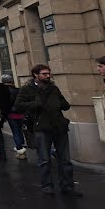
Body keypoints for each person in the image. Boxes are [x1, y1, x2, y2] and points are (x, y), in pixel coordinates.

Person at [13, 64, 80, 196]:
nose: (47, 76)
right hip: (41, 128)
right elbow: (18, 106)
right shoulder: (27, 89)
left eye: (48, 73)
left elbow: (64, 104)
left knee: (65, 160)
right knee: (44, 159)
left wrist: (62, 104)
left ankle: (67, 186)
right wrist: (35, 104)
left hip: (59, 127)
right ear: (35, 75)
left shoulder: (53, 88)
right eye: (44, 74)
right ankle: (47, 186)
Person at [1, 74, 27, 160]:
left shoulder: (4, 92)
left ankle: (20, 150)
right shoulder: (18, 90)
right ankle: (22, 146)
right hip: (20, 114)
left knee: (15, 132)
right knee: (20, 131)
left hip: (11, 114)